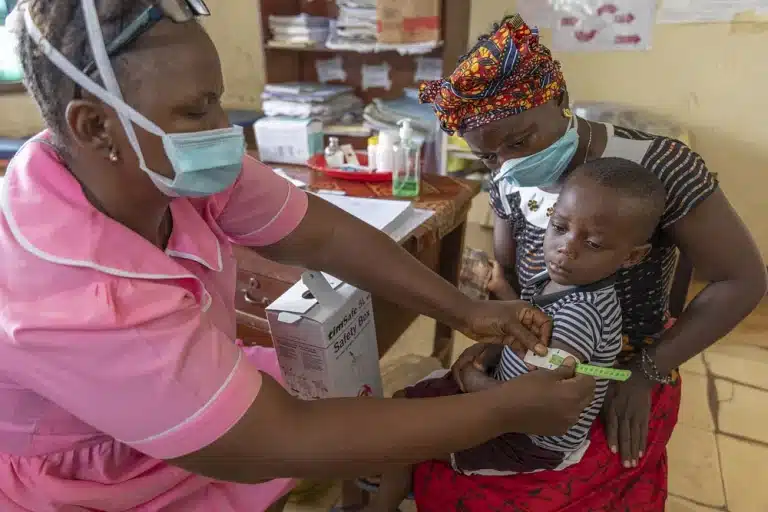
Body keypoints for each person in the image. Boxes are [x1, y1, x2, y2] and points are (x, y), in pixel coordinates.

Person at [0, 2, 598, 511]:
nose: (223, 129)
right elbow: (272, 440)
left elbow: (317, 232)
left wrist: (463, 309)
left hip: (197, 405)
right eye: (196, 110)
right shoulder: (78, 301)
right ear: (95, 127)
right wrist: (504, 412)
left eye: (217, 101)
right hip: (94, 482)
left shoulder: (149, 165)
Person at [408, 13, 767, 511]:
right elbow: (511, 281)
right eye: (488, 157)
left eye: (520, 140)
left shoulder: (659, 166)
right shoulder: (508, 180)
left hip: (625, 374)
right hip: (528, 367)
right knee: (421, 441)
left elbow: (742, 279)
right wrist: (498, 355)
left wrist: (646, 371)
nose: (508, 164)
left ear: (559, 100)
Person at [366, 158, 667, 512]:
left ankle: (378, 505)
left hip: (526, 439)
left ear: (633, 256)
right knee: (405, 403)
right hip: (504, 399)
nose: (567, 247)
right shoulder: (561, 278)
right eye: (560, 226)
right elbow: (530, 339)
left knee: (408, 439)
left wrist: (475, 383)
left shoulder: (581, 314)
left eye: (595, 244)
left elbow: (543, 399)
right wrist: (490, 350)